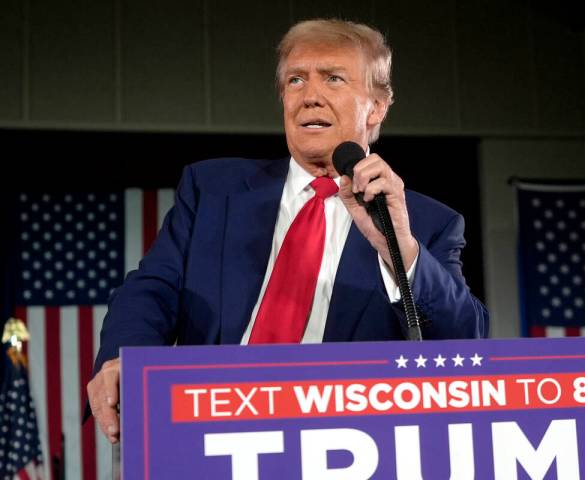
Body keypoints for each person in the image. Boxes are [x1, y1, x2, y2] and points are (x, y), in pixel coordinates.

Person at [87, 18, 488, 444]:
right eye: (296, 80)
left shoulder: (425, 223)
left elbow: (466, 340)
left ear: (376, 107)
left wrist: (398, 247)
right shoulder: (214, 190)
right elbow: (153, 288)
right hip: (210, 429)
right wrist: (121, 358)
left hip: (338, 441)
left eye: (333, 78)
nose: (310, 96)